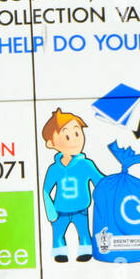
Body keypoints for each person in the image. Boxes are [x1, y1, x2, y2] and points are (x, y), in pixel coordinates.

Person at [41, 108, 104, 262]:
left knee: (84, 232)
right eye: (67, 135)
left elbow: (101, 182)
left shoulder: (86, 164)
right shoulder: (54, 169)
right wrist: (51, 212)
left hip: (81, 209)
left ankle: (85, 251)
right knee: (58, 234)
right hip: (59, 211)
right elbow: (46, 190)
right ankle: (59, 252)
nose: (74, 139)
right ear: (51, 143)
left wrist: (116, 183)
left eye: (77, 133)